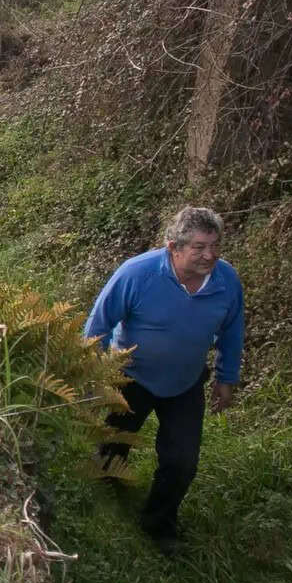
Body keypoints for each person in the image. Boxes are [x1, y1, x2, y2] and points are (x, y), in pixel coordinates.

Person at [84, 206, 244, 550]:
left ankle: (159, 525)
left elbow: (232, 333)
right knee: (113, 442)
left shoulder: (226, 281)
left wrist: (226, 379)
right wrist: (94, 374)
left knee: (182, 461)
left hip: (185, 383)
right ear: (173, 247)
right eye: (199, 247)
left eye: (215, 246)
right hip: (132, 377)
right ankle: (104, 489)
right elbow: (99, 325)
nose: (209, 255)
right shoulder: (137, 274)